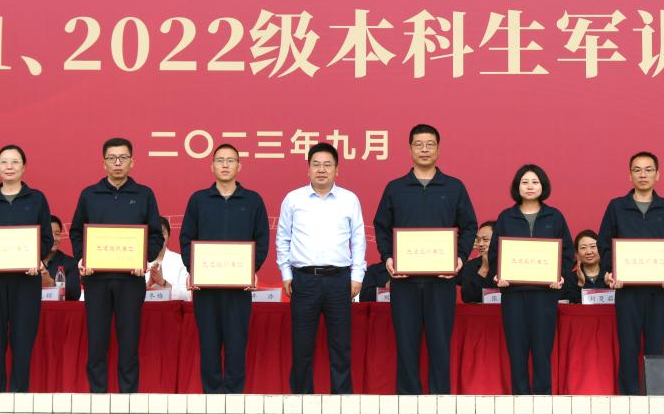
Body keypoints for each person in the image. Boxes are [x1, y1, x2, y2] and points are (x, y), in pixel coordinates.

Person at [373, 124, 477, 394]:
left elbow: (469, 226)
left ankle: (440, 400)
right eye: (418, 144)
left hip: (442, 280)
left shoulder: (454, 187)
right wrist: (388, 258)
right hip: (404, 280)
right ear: (410, 149)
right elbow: (381, 227)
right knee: (406, 344)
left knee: (440, 344)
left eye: (430, 144)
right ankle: (407, 402)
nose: (424, 149)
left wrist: (459, 258)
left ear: (438, 149)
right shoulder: (395, 188)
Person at [70, 137, 164, 393]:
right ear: (104, 163)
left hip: (131, 280)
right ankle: (97, 396)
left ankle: (129, 398)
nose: (118, 163)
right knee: (96, 343)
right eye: (112, 158)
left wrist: (143, 259)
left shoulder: (144, 194)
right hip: (96, 279)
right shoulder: (89, 195)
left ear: (132, 162)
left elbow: (155, 235)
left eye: (123, 158)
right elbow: (76, 232)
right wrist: (82, 258)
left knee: (129, 343)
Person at [276, 142, 365, 394]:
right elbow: (283, 238)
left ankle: (342, 402)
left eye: (327, 165)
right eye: (316, 164)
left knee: (341, 347)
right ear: (308, 169)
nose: (321, 170)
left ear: (337, 170)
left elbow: (358, 240)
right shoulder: (293, 199)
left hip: (339, 280)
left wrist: (357, 276)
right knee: (302, 347)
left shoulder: (349, 200)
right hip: (304, 280)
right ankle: (301, 401)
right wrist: (286, 274)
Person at [179, 144, 269, 393]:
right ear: (212, 166)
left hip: (239, 288)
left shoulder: (253, 200)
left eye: (231, 160)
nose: (225, 165)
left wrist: (252, 268)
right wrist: (193, 269)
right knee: (208, 345)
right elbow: (186, 238)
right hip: (206, 287)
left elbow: (262, 239)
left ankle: (234, 398)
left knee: (236, 345)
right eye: (220, 160)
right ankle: (211, 398)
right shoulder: (198, 200)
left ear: (239, 166)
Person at [597, 151, 664, 395]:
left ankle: (655, 396)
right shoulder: (617, 207)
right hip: (627, 290)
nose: (643, 174)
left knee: (656, 346)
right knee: (628, 346)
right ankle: (628, 398)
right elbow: (604, 243)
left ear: (658, 175)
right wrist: (609, 272)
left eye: (648, 170)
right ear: (630, 176)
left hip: (659, 290)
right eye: (637, 170)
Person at [0, 144, 54, 392]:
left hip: (26, 280)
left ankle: (19, 395)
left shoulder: (36, 199)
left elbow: (47, 238)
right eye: (4, 162)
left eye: (15, 162)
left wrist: (37, 259)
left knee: (23, 341)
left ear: (24, 167)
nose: (9, 167)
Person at [489, 165, 574, 395]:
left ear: (543, 186)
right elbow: (495, 254)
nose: (529, 186)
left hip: (545, 295)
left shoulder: (555, 217)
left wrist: (560, 275)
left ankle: (542, 398)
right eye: (524, 182)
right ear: (517, 187)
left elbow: (567, 254)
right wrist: (498, 275)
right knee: (516, 350)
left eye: (535, 182)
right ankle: (520, 399)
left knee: (542, 349)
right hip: (513, 295)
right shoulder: (506, 217)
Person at [148, 217, 190, 301]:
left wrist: (164, 283)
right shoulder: (137, 262)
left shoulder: (180, 261)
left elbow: (187, 295)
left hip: (171, 309)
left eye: (162, 233)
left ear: (168, 236)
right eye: (154, 234)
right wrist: (148, 285)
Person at [562, 229, 609, 303]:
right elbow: (568, 304)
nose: (589, 252)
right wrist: (580, 285)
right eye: (583, 247)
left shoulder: (610, 275)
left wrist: (608, 285)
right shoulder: (569, 278)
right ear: (577, 254)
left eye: (593, 246)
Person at [41, 215, 81, 301]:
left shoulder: (70, 263)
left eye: (57, 234)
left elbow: (74, 295)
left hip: (59, 309)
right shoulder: (29, 262)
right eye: (49, 234)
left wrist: (51, 284)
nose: (54, 238)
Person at [458, 221, 495, 303]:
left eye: (485, 239)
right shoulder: (471, 266)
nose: (480, 244)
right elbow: (468, 298)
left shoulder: (509, 264)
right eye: (478, 240)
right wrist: (484, 267)